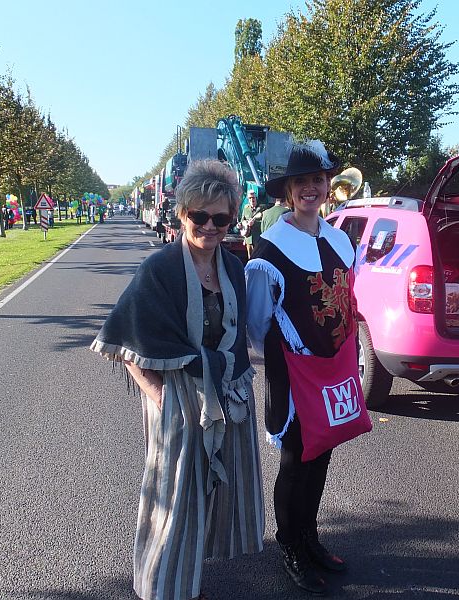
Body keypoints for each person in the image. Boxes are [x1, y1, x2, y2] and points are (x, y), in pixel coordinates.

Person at [90, 159, 264, 600]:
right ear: (183, 213)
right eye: (199, 215)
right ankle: (162, 587)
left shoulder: (234, 268)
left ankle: (190, 580)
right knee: (173, 499)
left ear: (232, 218)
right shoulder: (160, 269)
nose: (210, 226)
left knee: (217, 495)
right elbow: (123, 340)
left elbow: (237, 336)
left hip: (224, 393)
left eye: (221, 218)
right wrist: (163, 398)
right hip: (178, 396)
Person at [246, 141, 357, 595]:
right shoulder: (270, 249)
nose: (311, 188)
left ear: (328, 185)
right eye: (302, 182)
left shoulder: (339, 239)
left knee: (323, 451)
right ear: (289, 191)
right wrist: (292, 350)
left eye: (318, 180)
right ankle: (289, 545)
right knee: (295, 460)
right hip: (293, 373)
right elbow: (257, 321)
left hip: (333, 369)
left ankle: (309, 536)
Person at [240, 190, 262, 259]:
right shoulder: (246, 208)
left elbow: (264, 222)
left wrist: (255, 223)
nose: (252, 199)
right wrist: (240, 225)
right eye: (250, 198)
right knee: (250, 258)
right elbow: (242, 220)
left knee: (258, 258)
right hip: (249, 239)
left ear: (256, 198)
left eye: (253, 198)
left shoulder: (261, 208)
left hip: (258, 238)